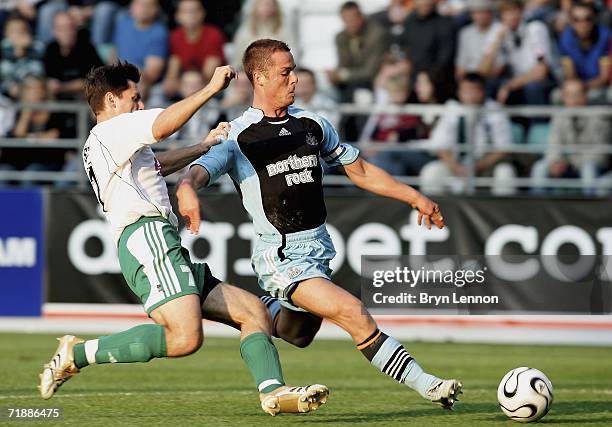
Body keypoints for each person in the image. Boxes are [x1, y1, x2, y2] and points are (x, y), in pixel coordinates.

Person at [178, 39, 462, 410]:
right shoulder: (237, 135)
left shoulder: (312, 124)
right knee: (352, 312)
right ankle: (429, 385)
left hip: (318, 250)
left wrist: (414, 196)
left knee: (298, 334)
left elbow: (359, 170)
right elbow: (200, 170)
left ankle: (237, 306)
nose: (295, 79)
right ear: (260, 78)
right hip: (279, 254)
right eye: (286, 72)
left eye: (293, 69)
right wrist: (187, 187)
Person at [37, 62, 329, 416]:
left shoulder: (110, 143)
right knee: (185, 338)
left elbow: (157, 166)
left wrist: (201, 146)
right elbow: (164, 125)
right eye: (135, 98)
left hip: (160, 241)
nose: (140, 106)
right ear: (111, 100)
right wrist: (210, 89)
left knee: (253, 313)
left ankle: (275, 392)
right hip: (147, 238)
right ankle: (77, 354)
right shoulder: (111, 129)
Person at [419, 73, 516, 195]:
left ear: (483, 91)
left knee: (505, 173)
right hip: (456, 166)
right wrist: (456, 167)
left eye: (474, 91)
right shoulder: (452, 109)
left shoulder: (495, 111)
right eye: (465, 91)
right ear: (459, 92)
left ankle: (502, 213)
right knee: (431, 173)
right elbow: (440, 145)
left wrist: (479, 165)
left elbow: (503, 148)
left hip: (486, 167)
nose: (470, 96)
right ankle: (433, 214)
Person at [530, 79, 611, 194]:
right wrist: (555, 161)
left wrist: (569, 163)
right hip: (567, 165)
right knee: (540, 167)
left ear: (585, 96)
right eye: (569, 95)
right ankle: (537, 208)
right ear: (563, 98)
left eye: (577, 95)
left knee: (588, 170)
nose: (573, 100)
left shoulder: (599, 117)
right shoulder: (559, 116)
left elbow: (600, 155)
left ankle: (590, 210)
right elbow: (553, 145)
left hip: (591, 165)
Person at [480, 0, 554, 105]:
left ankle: (538, 122)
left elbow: (541, 71)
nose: (512, 16)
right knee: (487, 85)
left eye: (516, 11)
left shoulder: (535, 29)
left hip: (539, 81)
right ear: (501, 16)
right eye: (507, 12)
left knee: (533, 87)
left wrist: (509, 86)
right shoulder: (498, 31)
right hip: (515, 80)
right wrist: (497, 41)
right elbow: (483, 71)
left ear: (522, 11)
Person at [163, 0, 226, 100]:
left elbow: (209, 74)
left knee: (193, 83)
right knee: (168, 86)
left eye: (194, 11)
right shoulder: (175, 36)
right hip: (184, 84)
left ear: (202, 13)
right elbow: (173, 68)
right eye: (186, 12)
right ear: (177, 16)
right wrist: (173, 82)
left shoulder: (213, 35)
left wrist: (189, 83)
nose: (190, 15)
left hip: (207, 83)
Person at [327, 1, 387, 103]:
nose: (350, 23)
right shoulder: (341, 37)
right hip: (350, 83)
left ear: (361, 17)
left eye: (353, 18)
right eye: (346, 19)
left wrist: (342, 75)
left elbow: (371, 71)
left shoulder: (376, 34)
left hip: (372, 82)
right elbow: (343, 64)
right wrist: (335, 75)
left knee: (362, 97)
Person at [111, 0, 168, 100]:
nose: (144, 9)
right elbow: (114, 53)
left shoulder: (159, 32)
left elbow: (152, 73)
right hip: (120, 74)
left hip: (143, 80)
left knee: (137, 83)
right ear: (131, 7)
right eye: (140, 5)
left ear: (156, 10)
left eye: (149, 6)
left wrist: (129, 75)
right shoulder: (123, 25)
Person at [558, 1, 611, 102]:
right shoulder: (565, 38)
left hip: (598, 86)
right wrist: (576, 87)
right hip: (577, 86)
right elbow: (569, 74)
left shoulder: (605, 37)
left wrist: (582, 86)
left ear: (595, 19)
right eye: (576, 20)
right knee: (567, 92)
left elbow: (604, 78)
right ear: (571, 21)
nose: (583, 24)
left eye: (588, 19)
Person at [43, 11, 103, 100]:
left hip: (83, 99)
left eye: (70, 27)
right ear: (54, 31)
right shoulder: (50, 50)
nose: (66, 32)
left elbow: (95, 81)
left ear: (75, 29)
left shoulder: (87, 49)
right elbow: (46, 80)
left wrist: (62, 87)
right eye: (61, 28)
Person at [231, 0, 295, 69]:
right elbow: (238, 56)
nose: (267, 8)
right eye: (264, 5)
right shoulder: (245, 30)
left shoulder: (283, 29)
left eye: (270, 5)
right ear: (255, 7)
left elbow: (292, 52)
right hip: (250, 70)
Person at [455, 0, 503, 81]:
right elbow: (461, 65)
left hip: (490, 78)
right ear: (471, 14)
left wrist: (478, 80)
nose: (481, 16)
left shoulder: (500, 29)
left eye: (484, 12)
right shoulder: (465, 32)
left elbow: (500, 66)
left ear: (491, 13)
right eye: (477, 12)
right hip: (469, 78)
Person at [0, 14, 45, 99]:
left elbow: (39, 69)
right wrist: (18, 51)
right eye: (13, 31)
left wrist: (26, 50)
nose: (18, 34)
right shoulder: (3, 47)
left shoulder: (37, 46)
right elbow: (4, 73)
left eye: (21, 31)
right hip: (6, 91)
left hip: (32, 89)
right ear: (6, 33)